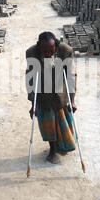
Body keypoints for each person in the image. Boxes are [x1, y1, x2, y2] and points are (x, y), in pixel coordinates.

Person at [25, 32, 77, 164]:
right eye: (44, 50)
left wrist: (72, 100)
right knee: (47, 124)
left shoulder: (65, 51)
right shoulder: (32, 53)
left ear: (56, 46)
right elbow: (31, 79)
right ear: (39, 47)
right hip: (43, 93)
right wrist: (33, 104)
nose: (47, 53)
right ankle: (52, 149)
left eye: (51, 49)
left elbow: (70, 75)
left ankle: (63, 145)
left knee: (63, 121)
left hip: (60, 91)